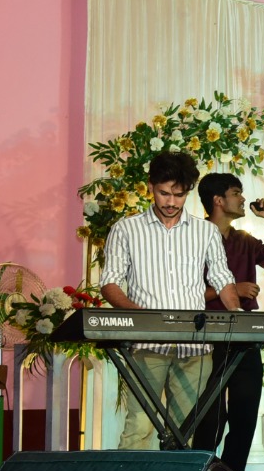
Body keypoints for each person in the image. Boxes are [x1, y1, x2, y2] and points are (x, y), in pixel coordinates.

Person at [99, 152, 240, 449]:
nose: (171, 202)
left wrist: (239, 317)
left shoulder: (206, 231)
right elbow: (109, 283)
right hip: (146, 344)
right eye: (164, 193)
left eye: (179, 195)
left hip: (195, 347)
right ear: (151, 186)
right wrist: (141, 316)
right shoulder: (126, 229)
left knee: (183, 431)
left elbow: (222, 278)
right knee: (140, 427)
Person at [191, 172, 264, 471]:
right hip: (206, 335)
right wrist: (231, 289)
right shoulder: (193, 237)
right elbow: (184, 293)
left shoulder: (244, 240)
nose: (243, 199)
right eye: (236, 193)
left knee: (245, 414)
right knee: (210, 417)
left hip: (244, 334)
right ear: (218, 200)